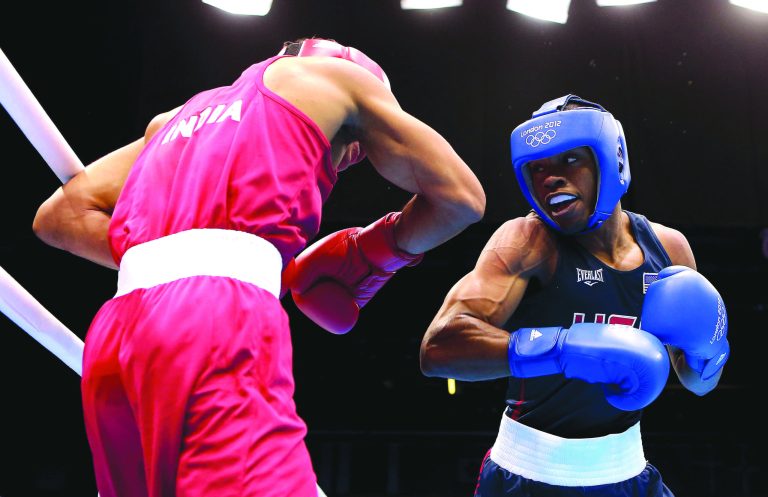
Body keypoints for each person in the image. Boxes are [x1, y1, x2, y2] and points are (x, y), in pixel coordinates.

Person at [32, 37, 486, 497]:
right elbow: (461, 199)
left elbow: (60, 218)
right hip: (214, 321)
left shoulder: (171, 122)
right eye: (354, 142)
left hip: (116, 334)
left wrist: (250, 264)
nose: (351, 156)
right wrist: (373, 250)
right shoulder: (338, 78)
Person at [420, 94, 729, 496]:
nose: (550, 177)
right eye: (537, 167)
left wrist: (710, 350)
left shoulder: (668, 249)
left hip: (629, 474)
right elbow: (438, 348)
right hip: (528, 478)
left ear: (612, 159)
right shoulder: (527, 242)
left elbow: (697, 382)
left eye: (570, 159)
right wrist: (561, 348)